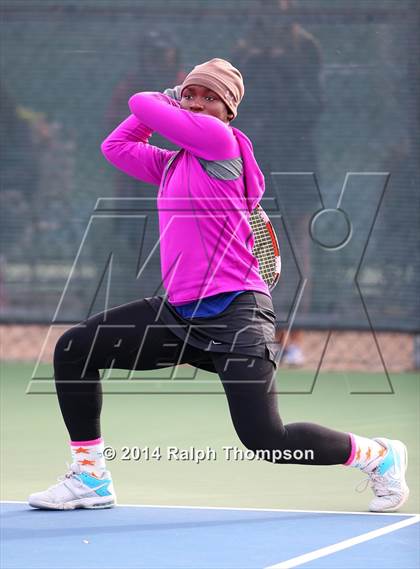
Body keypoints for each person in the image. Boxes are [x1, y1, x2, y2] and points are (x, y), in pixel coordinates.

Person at [28, 58, 409, 513]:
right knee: (76, 348)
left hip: (235, 314)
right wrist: (174, 101)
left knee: (267, 439)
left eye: (210, 97)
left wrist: (170, 97)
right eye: (191, 94)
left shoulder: (219, 141)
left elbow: (139, 103)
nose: (197, 102)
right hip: (178, 313)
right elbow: (116, 145)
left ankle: (379, 457)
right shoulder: (173, 165)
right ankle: (91, 477)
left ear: (229, 111)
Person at [232, 0, 325, 365]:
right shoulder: (242, 51)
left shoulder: (306, 47)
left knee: (297, 248)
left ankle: (293, 338)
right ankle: (259, 334)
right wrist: (257, 59)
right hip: (255, 165)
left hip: (297, 162)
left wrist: (281, 64)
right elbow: (235, 108)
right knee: (250, 248)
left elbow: (314, 106)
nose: (270, 10)